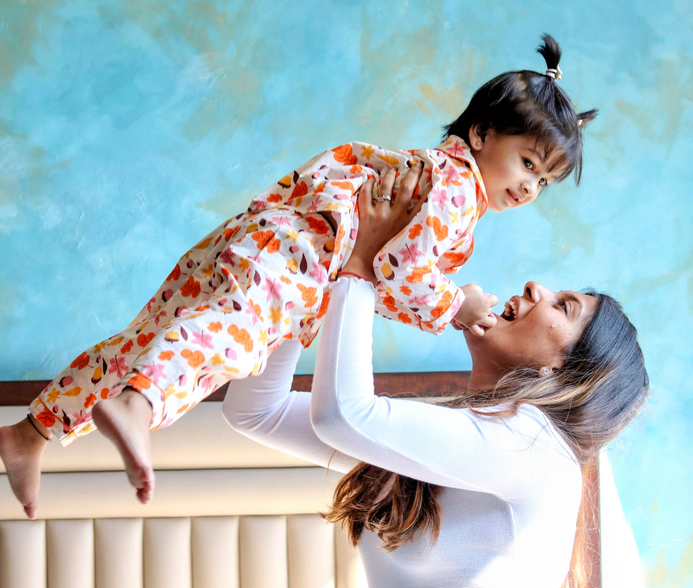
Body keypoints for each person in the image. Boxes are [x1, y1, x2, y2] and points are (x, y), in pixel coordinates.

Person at [0, 34, 596, 518]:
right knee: (228, 339)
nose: (529, 187)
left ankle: (33, 431)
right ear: (482, 134)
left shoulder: (435, 174)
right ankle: (141, 400)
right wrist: (453, 305)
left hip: (265, 244)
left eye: (543, 182)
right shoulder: (457, 192)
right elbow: (401, 272)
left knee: (145, 339)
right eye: (527, 163)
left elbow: (375, 272)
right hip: (290, 265)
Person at [221, 167, 649, 588]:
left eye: (564, 306)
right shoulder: (462, 439)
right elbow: (255, 411)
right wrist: (310, 276)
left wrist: (359, 268)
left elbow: (342, 413)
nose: (535, 287)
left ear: (560, 371)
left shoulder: (536, 450)